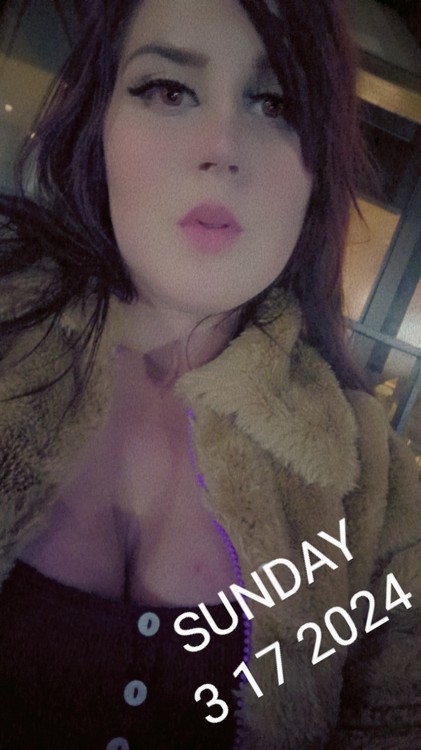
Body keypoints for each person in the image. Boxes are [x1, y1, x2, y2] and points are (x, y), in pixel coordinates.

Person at [0, 0, 419, 748]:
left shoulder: (372, 483)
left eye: (275, 103)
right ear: (100, 126)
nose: (222, 146)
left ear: (316, 174)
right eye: (168, 90)